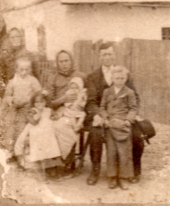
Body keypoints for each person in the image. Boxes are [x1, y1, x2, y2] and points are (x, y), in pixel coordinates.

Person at [85, 42, 143, 185]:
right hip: (103, 116)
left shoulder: (124, 74)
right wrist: (99, 115)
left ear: (114, 55)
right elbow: (91, 101)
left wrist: (131, 116)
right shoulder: (92, 77)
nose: (107, 57)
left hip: (123, 116)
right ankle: (95, 170)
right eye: (104, 54)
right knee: (95, 135)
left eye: (110, 54)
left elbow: (135, 97)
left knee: (136, 135)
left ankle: (134, 169)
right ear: (99, 57)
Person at [45, 50, 86, 175]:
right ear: (57, 63)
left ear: (71, 61)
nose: (64, 64)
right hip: (57, 110)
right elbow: (48, 102)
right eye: (61, 61)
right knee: (47, 125)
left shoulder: (80, 76)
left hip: (74, 111)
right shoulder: (53, 78)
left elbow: (87, 95)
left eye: (66, 60)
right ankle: (52, 162)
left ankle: (66, 162)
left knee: (63, 126)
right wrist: (63, 99)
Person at [100, 66, 137, 190]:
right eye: (117, 78)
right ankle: (112, 177)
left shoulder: (129, 92)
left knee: (124, 152)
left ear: (126, 78)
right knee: (111, 152)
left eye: (122, 78)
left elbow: (133, 108)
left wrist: (128, 120)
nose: (120, 80)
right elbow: (102, 107)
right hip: (110, 125)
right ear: (112, 78)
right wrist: (105, 118)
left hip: (123, 125)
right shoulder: (107, 92)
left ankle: (123, 177)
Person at [14, 91, 62, 182]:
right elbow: (33, 123)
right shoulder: (33, 110)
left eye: (41, 101)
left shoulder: (48, 110)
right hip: (35, 128)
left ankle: (50, 168)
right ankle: (40, 170)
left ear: (45, 102)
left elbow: (55, 116)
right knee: (38, 137)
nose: (39, 104)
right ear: (33, 103)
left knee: (50, 136)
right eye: (37, 102)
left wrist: (54, 117)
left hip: (46, 128)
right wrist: (38, 114)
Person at [2, 57, 42, 162]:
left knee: (21, 127)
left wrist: (32, 98)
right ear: (16, 69)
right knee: (10, 126)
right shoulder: (13, 82)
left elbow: (39, 93)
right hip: (15, 108)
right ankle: (10, 151)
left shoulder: (32, 80)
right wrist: (11, 100)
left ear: (30, 70)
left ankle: (20, 153)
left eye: (27, 69)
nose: (24, 72)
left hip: (28, 108)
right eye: (21, 69)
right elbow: (7, 96)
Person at [52, 77, 87, 162]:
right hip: (69, 112)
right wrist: (69, 105)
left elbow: (83, 104)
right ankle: (60, 157)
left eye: (76, 88)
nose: (74, 90)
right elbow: (66, 103)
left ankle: (67, 160)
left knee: (82, 115)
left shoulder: (82, 94)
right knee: (59, 126)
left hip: (77, 112)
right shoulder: (68, 94)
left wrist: (80, 102)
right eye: (72, 88)